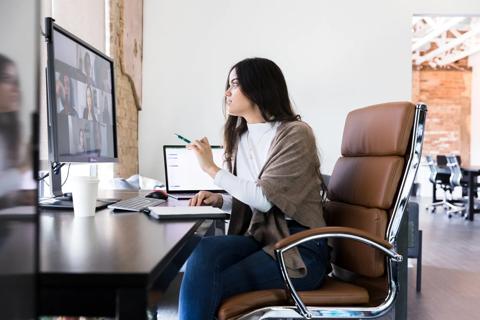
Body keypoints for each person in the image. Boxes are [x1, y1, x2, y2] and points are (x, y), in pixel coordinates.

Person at [179, 58, 331, 319]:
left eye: (235, 84)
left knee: (208, 289)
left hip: (299, 248)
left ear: (259, 86)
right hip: (261, 239)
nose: (227, 92)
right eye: (228, 85)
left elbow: (264, 200)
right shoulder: (241, 137)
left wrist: (211, 169)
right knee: (204, 250)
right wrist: (220, 200)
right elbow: (251, 198)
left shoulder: (295, 134)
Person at [0, 54, 33, 209]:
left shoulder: (10, 130)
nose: (15, 89)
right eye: (7, 80)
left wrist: (22, 195)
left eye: (16, 81)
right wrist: (21, 172)